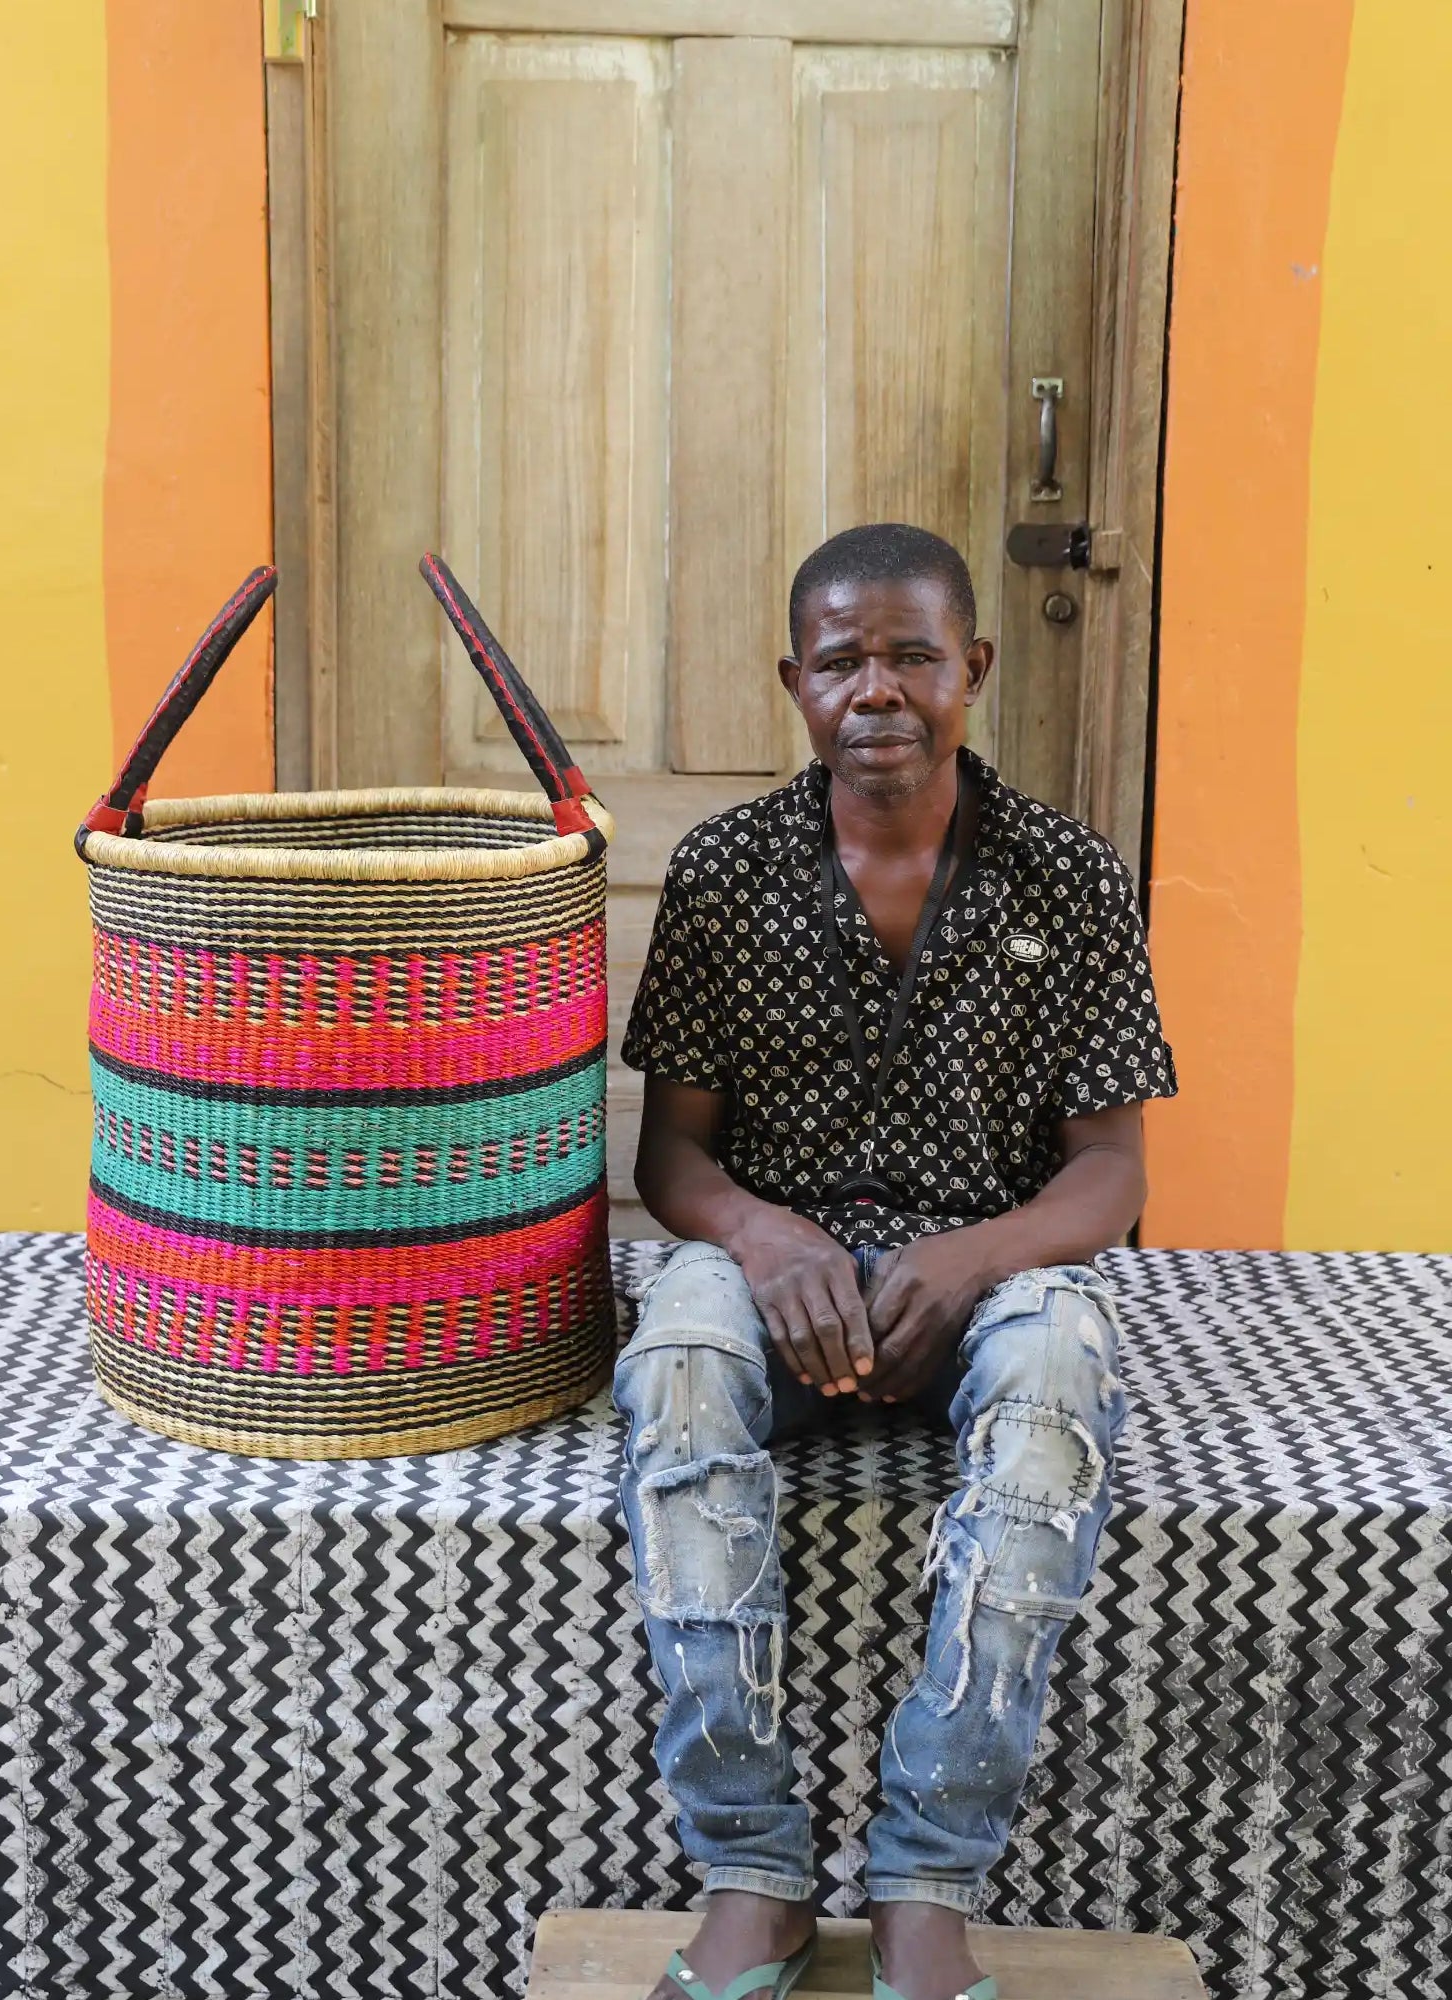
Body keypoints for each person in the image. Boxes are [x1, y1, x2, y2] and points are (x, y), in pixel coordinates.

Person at [611, 523, 1178, 2000]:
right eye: (842, 660)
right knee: (677, 1359)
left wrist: (973, 1257)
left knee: (1056, 1378)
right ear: (793, 682)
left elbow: (1111, 1173)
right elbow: (672, 1158)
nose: (878, 690)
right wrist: (761, 1234)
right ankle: (753, 1869)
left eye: (913, 656)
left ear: (971, 668)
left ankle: (929, 1877)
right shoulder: (726, 872)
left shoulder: (1067, 876)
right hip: (773, 1273)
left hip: (991, 1273)